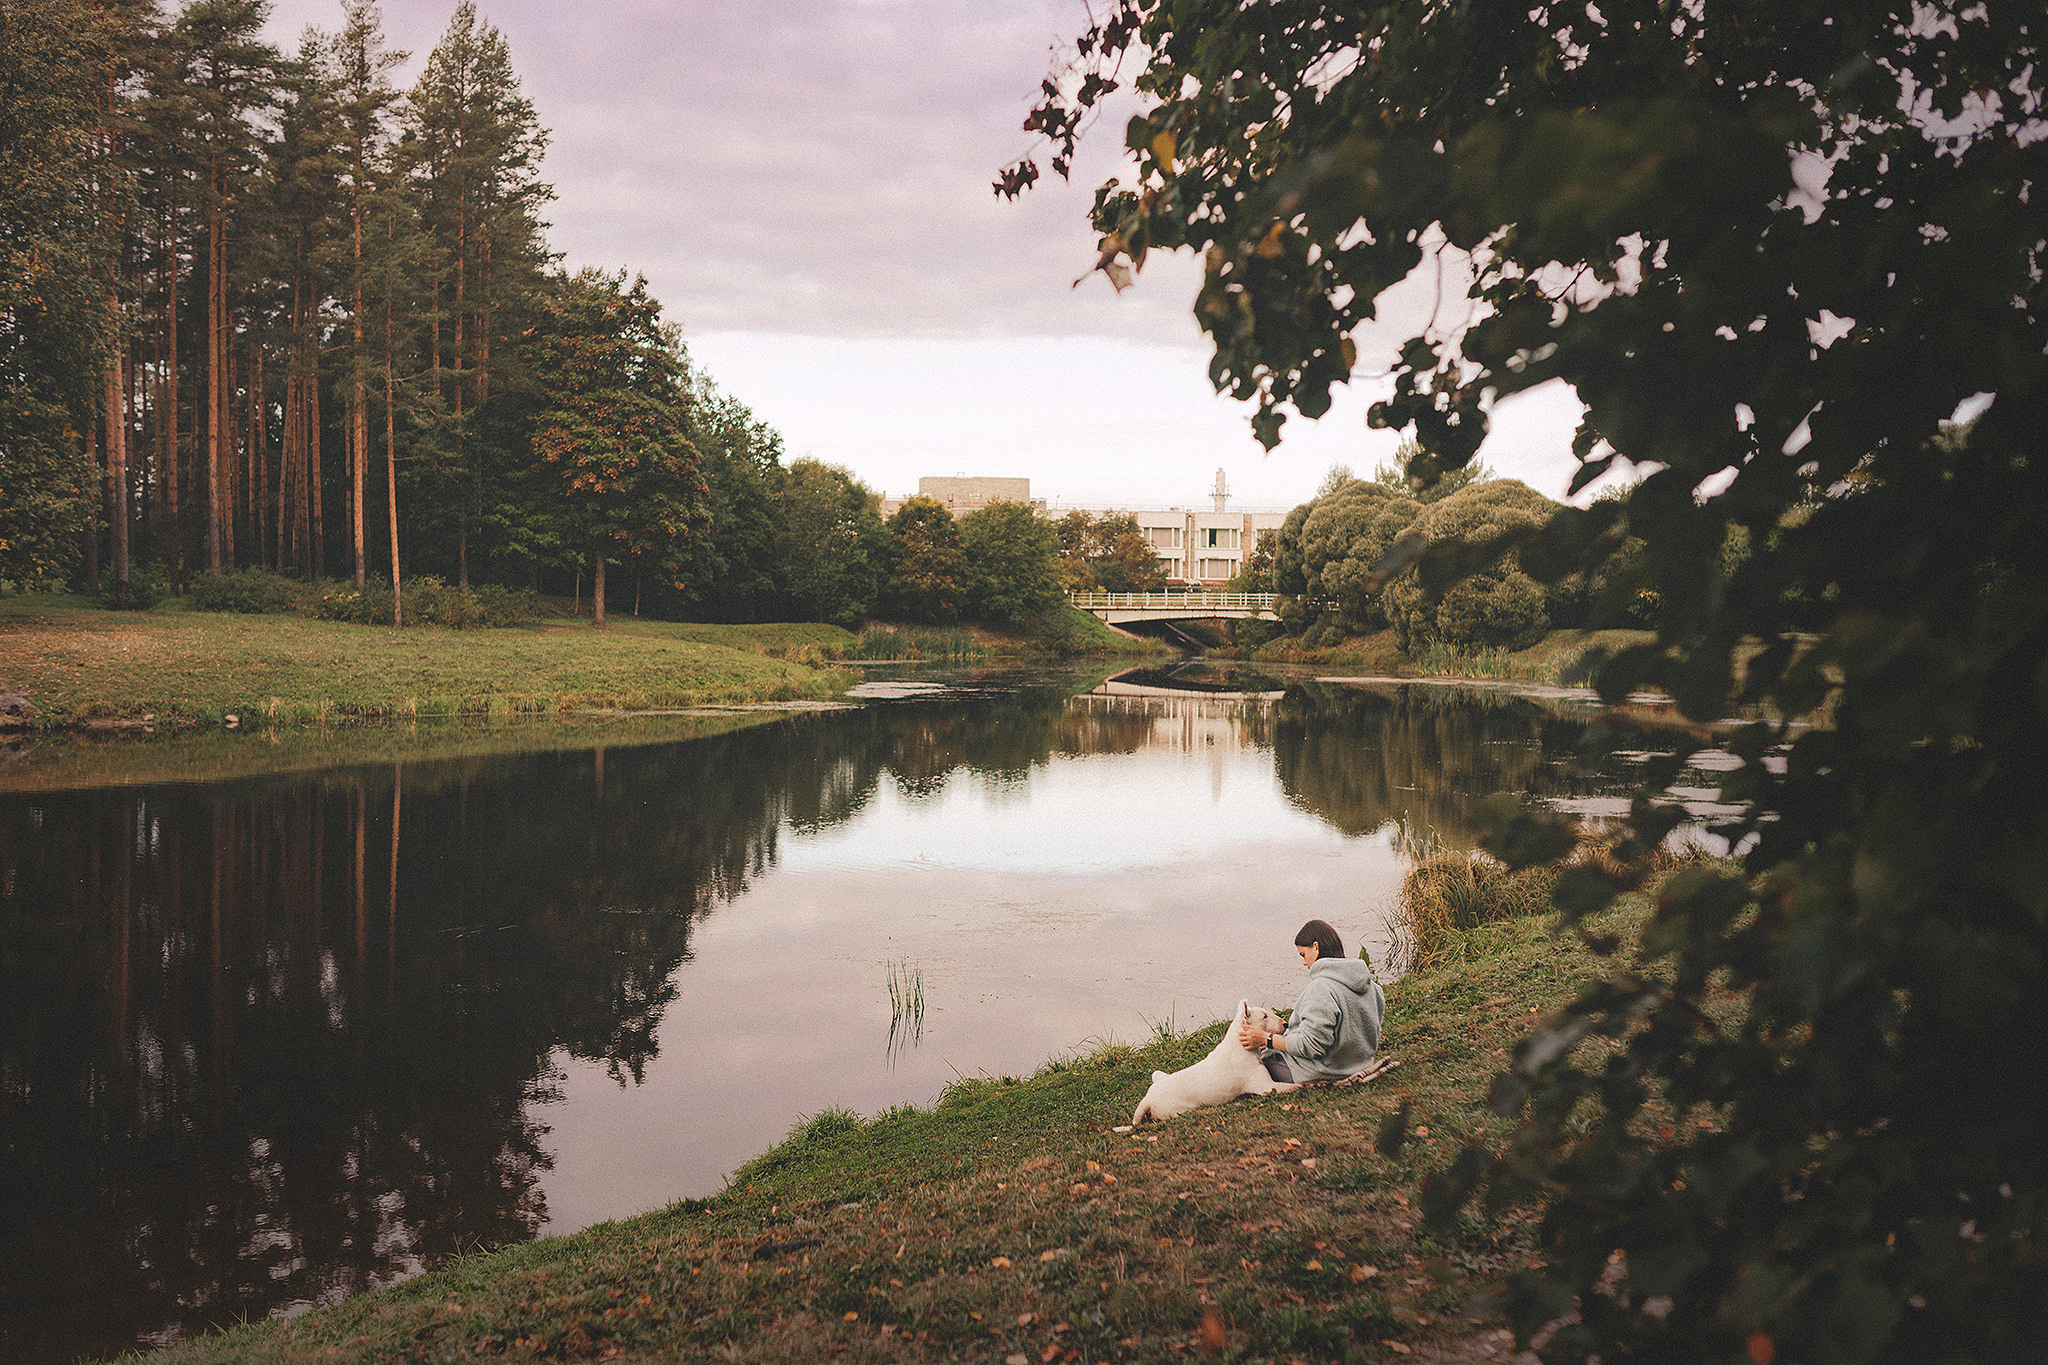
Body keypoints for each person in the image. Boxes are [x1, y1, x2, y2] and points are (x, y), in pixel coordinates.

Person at [1238, 918, 1385, 1085]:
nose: (1304, 962)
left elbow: (1311, 1046)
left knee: (1249, 1068)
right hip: (1357, 1066)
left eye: (1303, 954)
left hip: (1317, 1071)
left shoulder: (1321, 988)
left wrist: (1267, 1039)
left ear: (1316, 947)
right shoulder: (1373, 988)